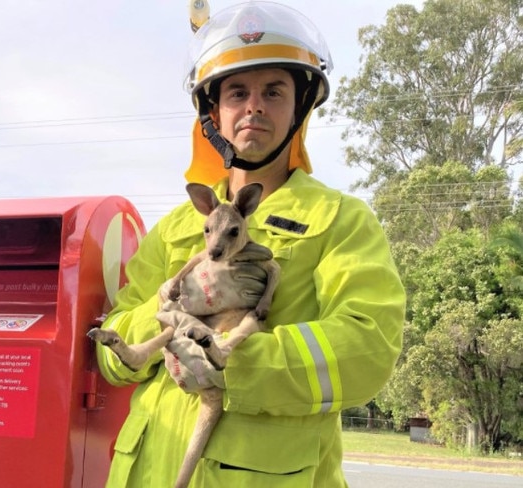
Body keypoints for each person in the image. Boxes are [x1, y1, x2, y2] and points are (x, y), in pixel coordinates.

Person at [93, 2, 406, 487]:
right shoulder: (175, 228)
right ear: (213, 112)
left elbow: (368, 348)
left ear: (299, 106)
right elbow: (110, 355)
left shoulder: (342, 222)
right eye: (238, 92)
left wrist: (229, 360)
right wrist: (167, 311)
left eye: (274, 91)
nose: (254, 105)